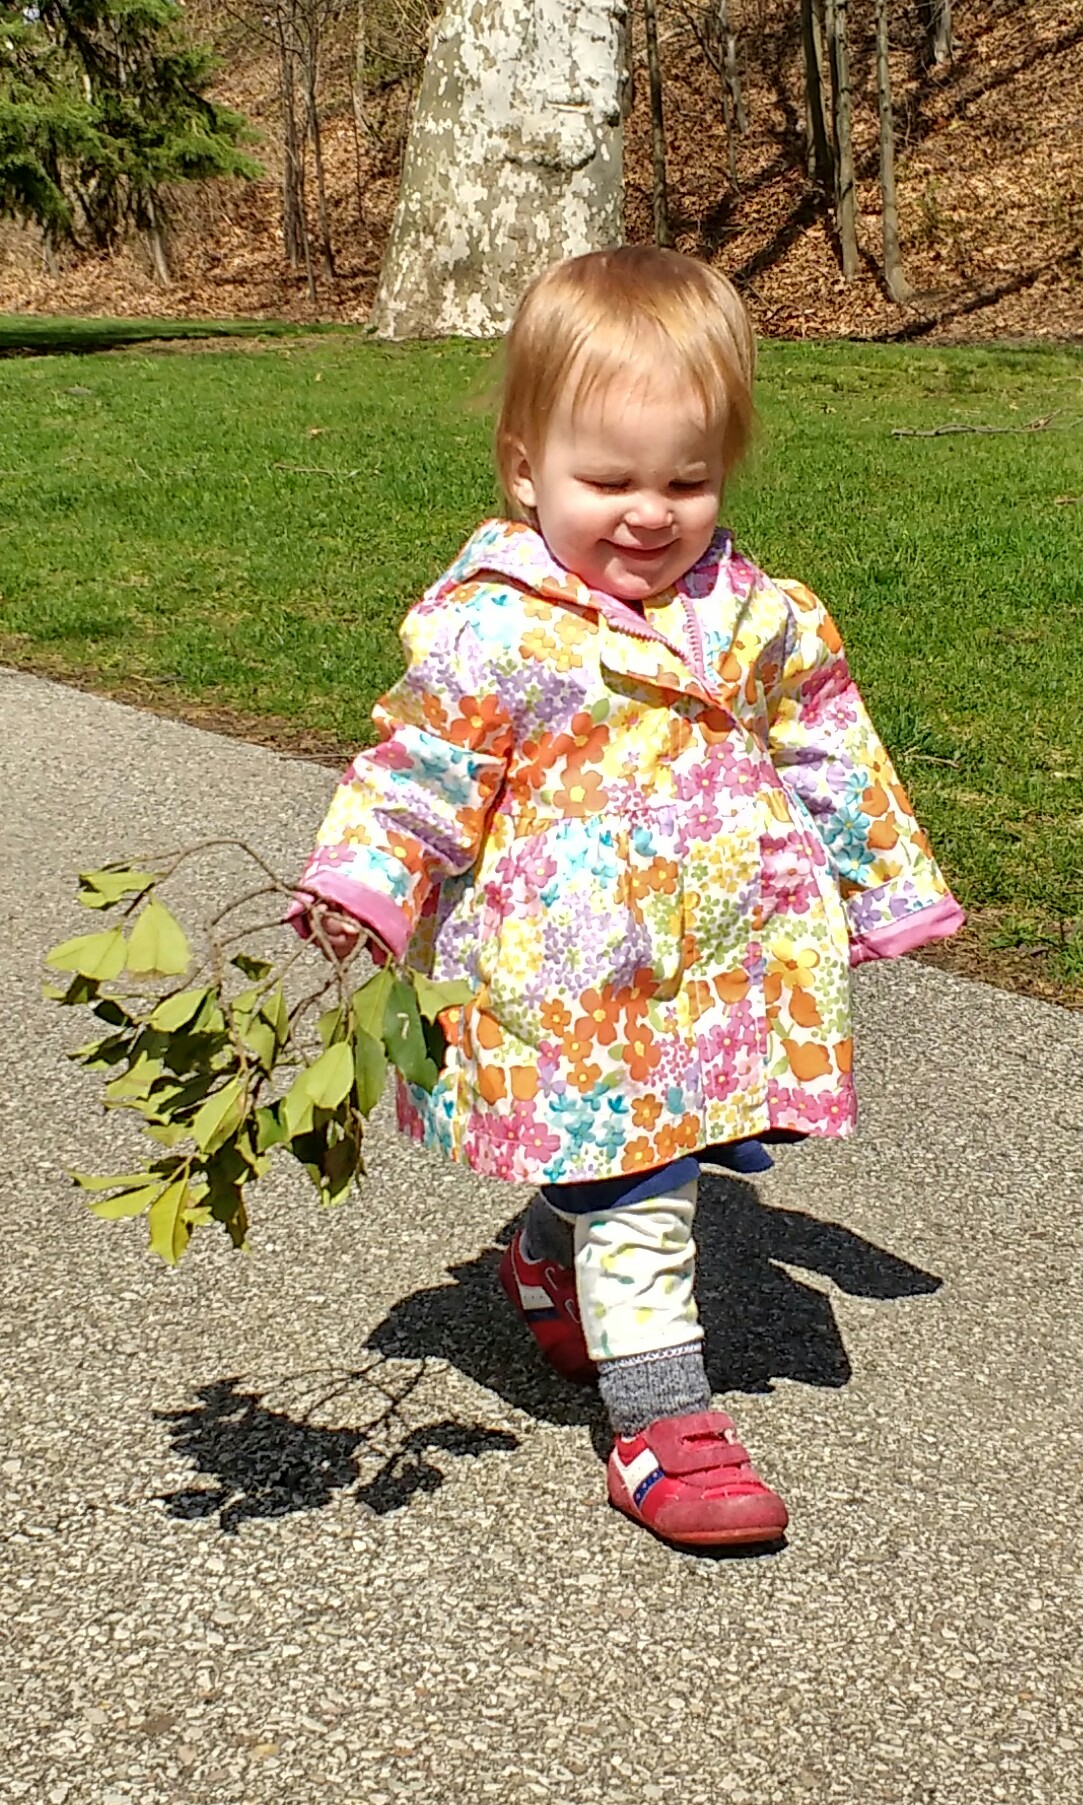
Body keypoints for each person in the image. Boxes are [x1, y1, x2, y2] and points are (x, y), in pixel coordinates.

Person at [293, 245, 963, 1550]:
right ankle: (665, 1423)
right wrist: (367, 883)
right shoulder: (498, 628)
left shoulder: (753, 615)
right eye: (608, 481)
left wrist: (884, 883)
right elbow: (422, 769)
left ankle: (547, 1254)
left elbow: (827, 742)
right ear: (524, 468)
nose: (650, 515)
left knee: (653, 1155)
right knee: (643, 1188)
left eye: (686, 480)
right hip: (569, 979)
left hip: (712, 960)